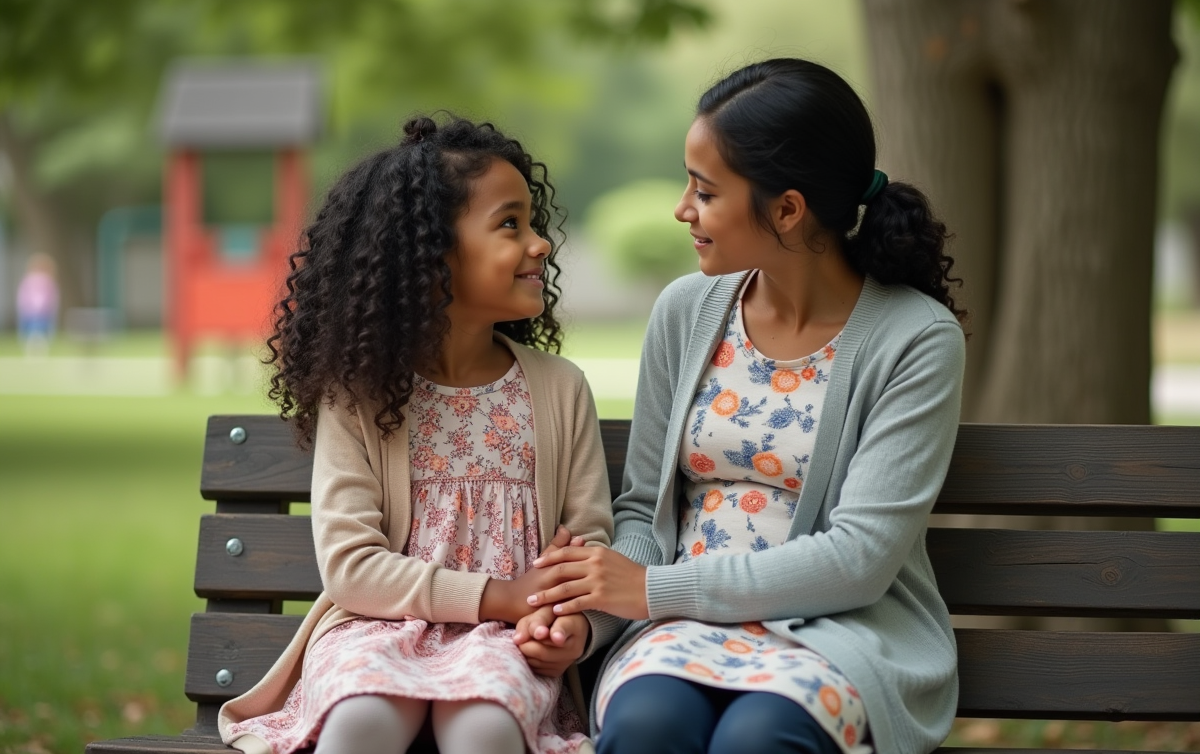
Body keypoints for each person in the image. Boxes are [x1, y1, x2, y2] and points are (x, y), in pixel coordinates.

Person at [521, 59, 968, 754]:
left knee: (758, 738)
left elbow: (860, 559)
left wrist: (653, 590)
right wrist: (590, 617)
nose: (682, 209)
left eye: (705, 191)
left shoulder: (915, 338)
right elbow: (643, 516)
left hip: (840, 634)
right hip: (679, 631)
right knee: (646, 727)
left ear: (787, 209)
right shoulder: (685, 311)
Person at [218, 115, 614, 754]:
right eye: (510, 224)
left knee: (486, 727)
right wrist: (501, 595)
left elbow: (588, 549)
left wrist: (572, 625)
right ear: (429, 255)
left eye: (533, 222)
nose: (540, 243)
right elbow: (351, 568)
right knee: (362, 721)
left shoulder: (559, 389)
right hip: (373, 631)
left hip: (504, 642)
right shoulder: (363, 393)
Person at [16, 253, 59, 356]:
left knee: (38, 329)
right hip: (33, 311)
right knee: (35, 329)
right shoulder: (33, 280)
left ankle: (36, 346)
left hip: (40, 311)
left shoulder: (46, 281)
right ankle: (35, 347)